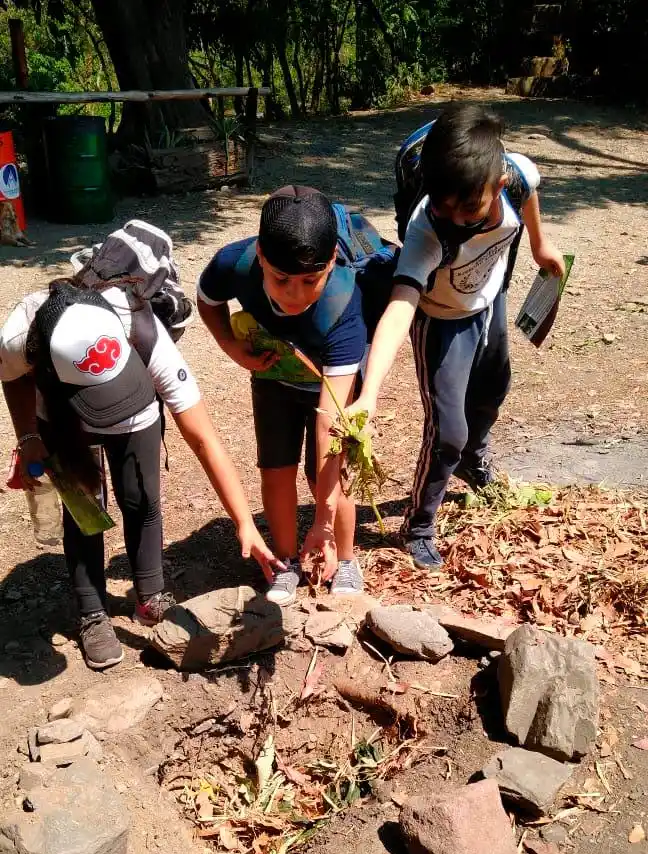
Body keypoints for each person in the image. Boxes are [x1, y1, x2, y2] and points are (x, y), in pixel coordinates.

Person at [1, 273, 281, 671]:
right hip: (65, 422)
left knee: (141, 497)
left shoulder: (142, 329)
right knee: (84, 515)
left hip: (138, 415)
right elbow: (10, 376)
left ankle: (150, 595)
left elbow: (204, 439)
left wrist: (244, 522)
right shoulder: (21, 336)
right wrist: (28, 434)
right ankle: (91, 611)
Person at [347, 103, 565, 568]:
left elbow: (529, 197)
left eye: (469, 207)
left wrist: (541, 246)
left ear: (498, 183)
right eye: (445, 205)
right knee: (448, 432)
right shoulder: (429, 229)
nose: (457, 218)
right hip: (441, 320)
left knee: (492, 391)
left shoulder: (517, 174)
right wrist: (370, 394)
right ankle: (418, 524)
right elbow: (401, 305)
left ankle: (473, 460)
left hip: (490, 299)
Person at [197, 185, 368, 606]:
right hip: (273, 381)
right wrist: (233, 349)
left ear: (331, 261)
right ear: (260, 255)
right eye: (281, 279)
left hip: (330, 388)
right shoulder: (232, 264)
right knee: (276, 470)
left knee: (328, 475)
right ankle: (286, 561)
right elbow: (207, 301)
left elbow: (330, 425)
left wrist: (323, 523)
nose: (295, 294)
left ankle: (345, 557)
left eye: (311, 280)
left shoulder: (346, 306)